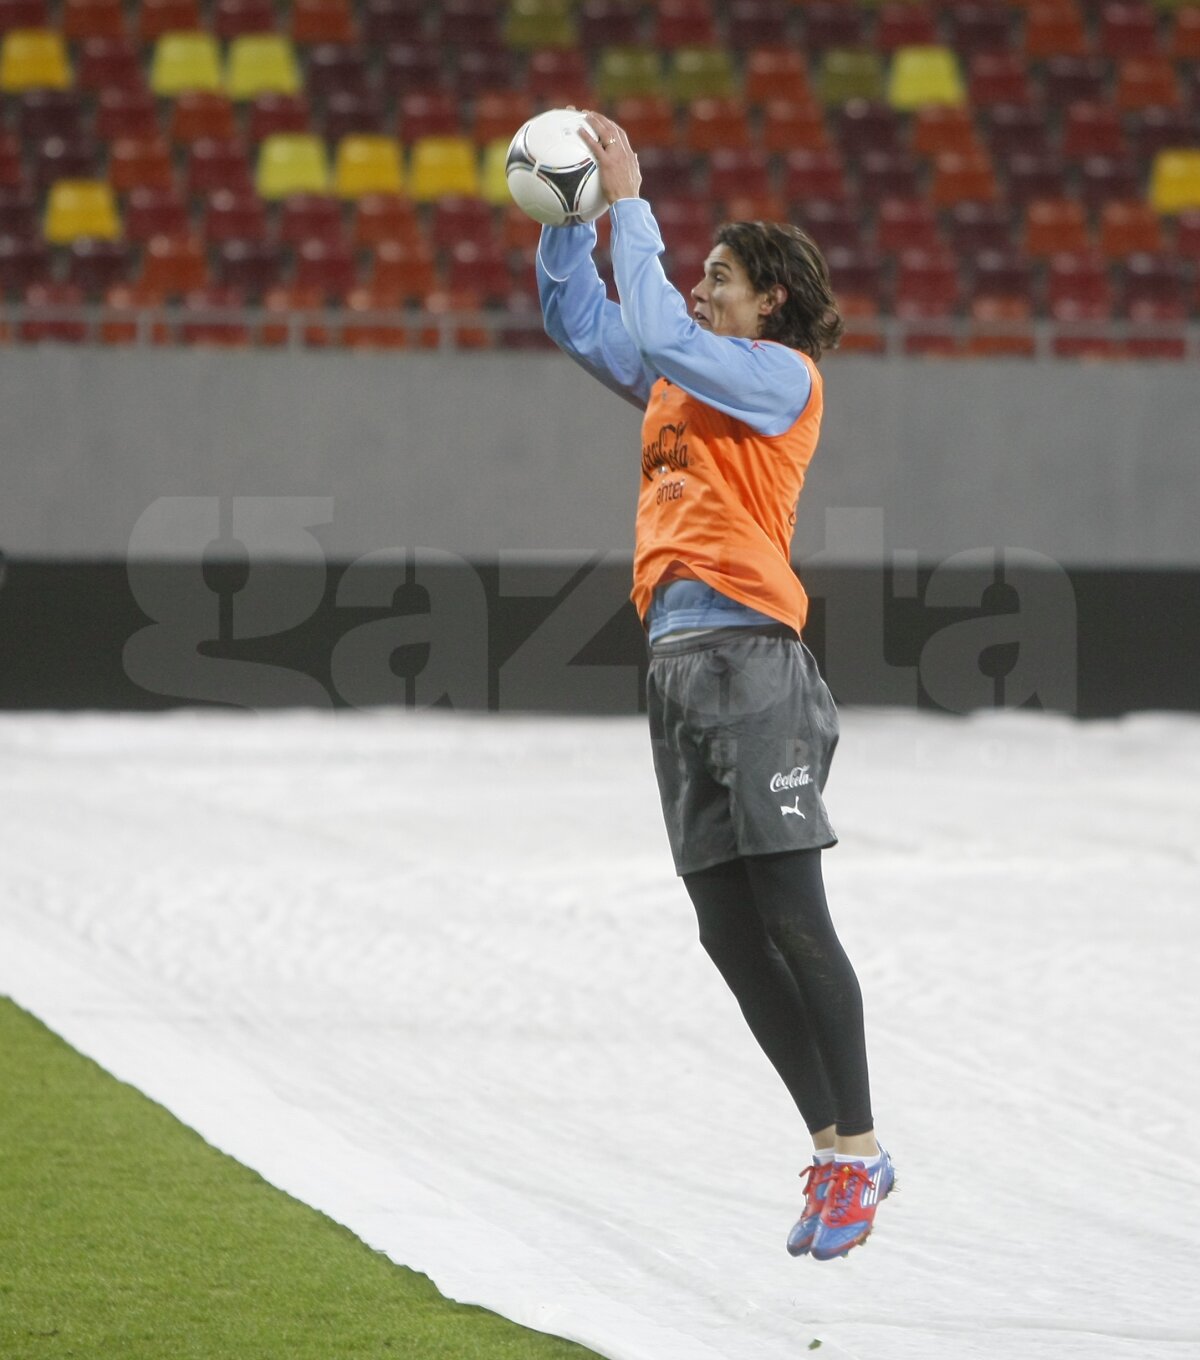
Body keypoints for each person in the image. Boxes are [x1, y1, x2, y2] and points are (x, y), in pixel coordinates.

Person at [536, 110, 894, 1262]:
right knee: (727, 931)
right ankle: (840, 1144)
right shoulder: (681, 376)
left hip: (752, 659)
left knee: (794, 914)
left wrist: (629, 196)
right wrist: (566, 224)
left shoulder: (777, 378)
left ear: (773, 301)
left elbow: (646, 320)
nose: (698, 293)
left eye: (719, 278)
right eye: (697, 276)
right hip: (679, 667)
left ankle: (857, 1153)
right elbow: (579, 315)